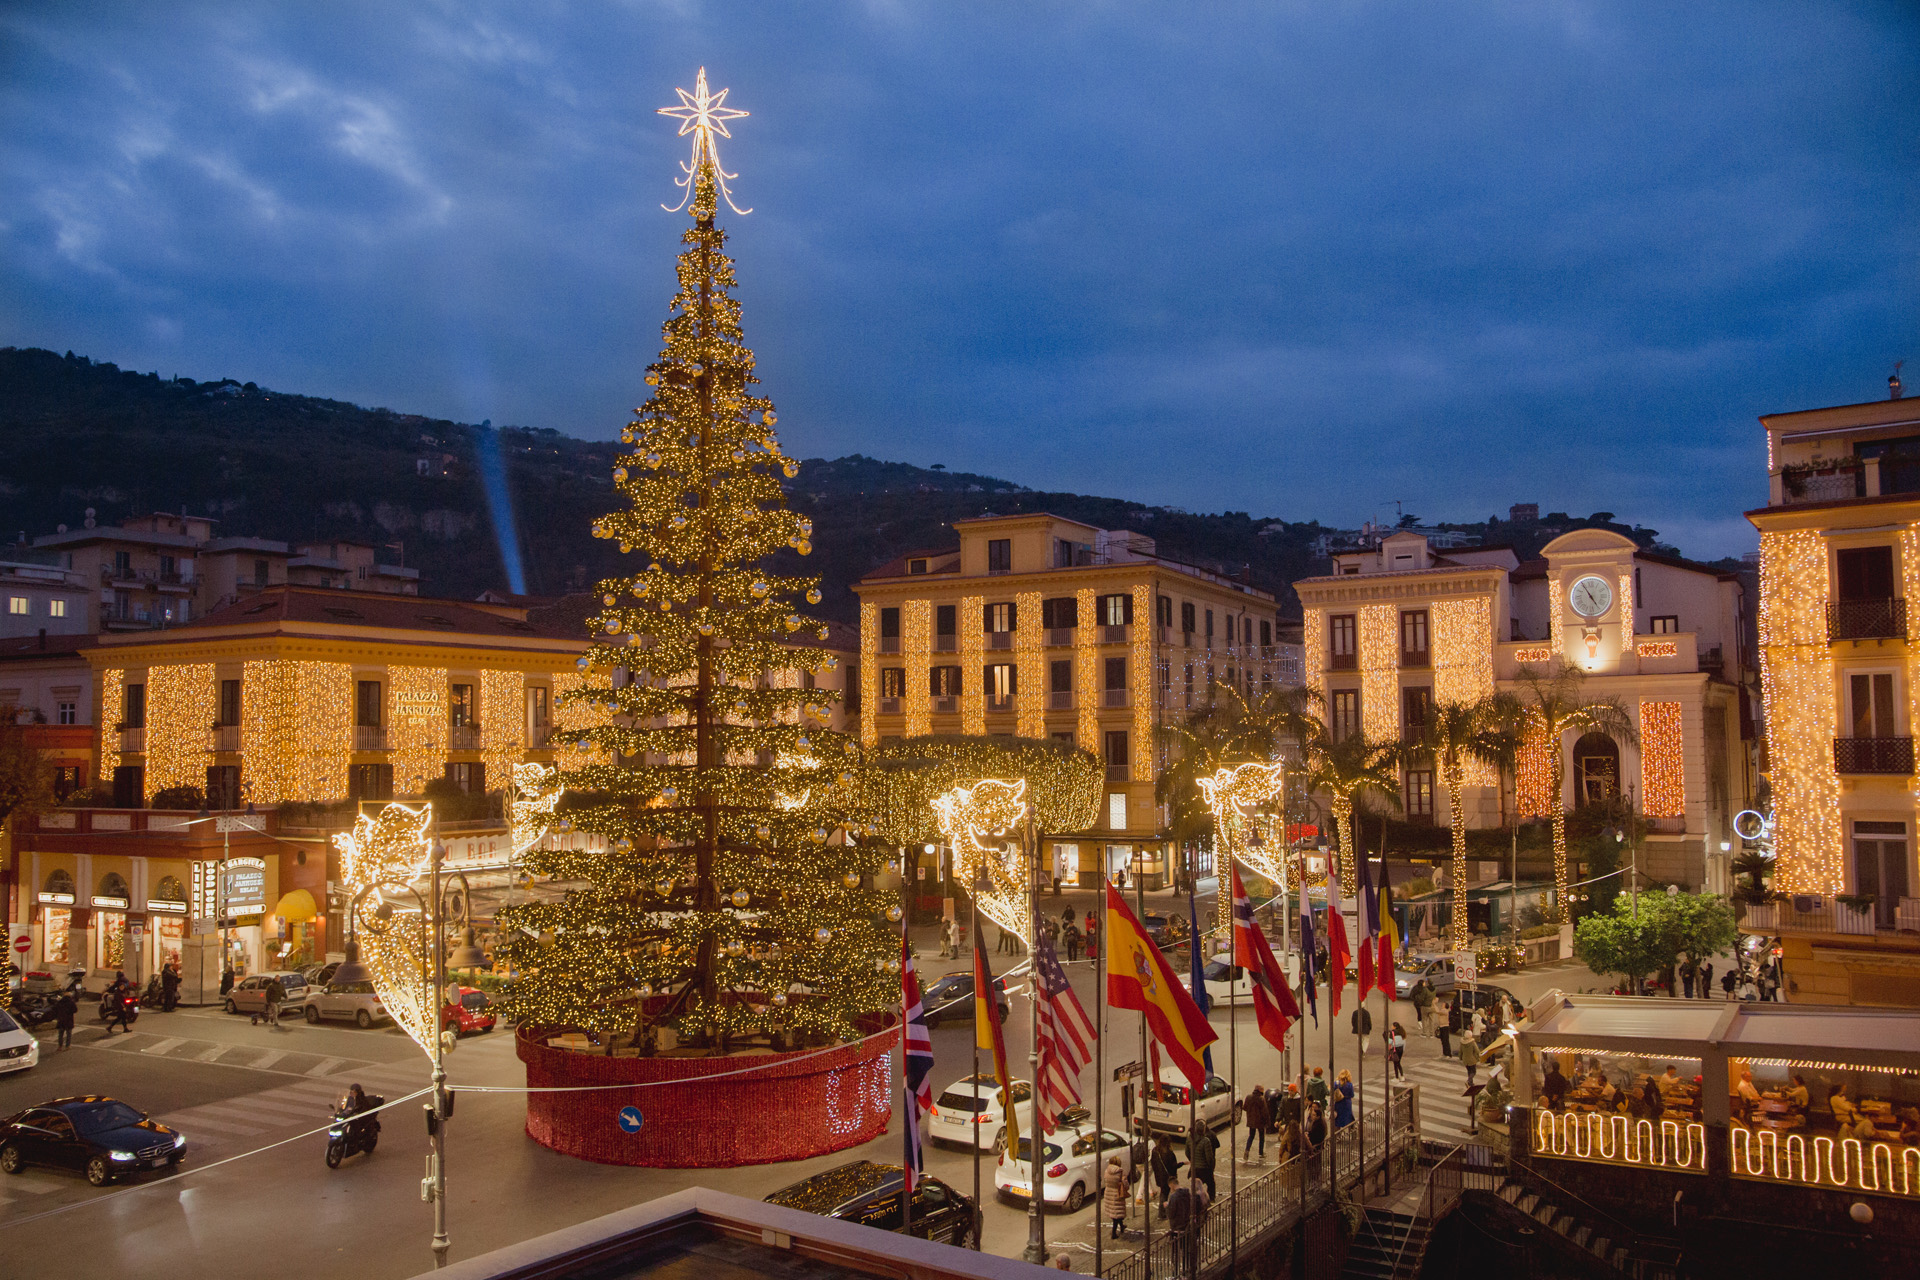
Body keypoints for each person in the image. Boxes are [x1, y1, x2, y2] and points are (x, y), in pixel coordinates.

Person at [1187, 1115, 1218, 1198]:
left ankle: (1196, 1200)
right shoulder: (1206, 1141)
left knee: (1195, 1186)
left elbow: (1187, 1152)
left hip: (1194, 1168)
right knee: (1211, 1184)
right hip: (1204, 1168)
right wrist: (1210, 1167)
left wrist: (1192, 1160)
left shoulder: (1190, 1138)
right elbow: (1209, 1157)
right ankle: (1210, 1200)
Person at [1150, 1133, 1180, 1216]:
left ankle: (1163, 1211)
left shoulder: (1155, 1151)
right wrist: (1182, 1164)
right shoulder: (1169, 1153)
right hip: (1168, 1177)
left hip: (1159, 1177)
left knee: (1163, 1193)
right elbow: (1173, 1166)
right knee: (1165, 1194)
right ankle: (1162, 1212)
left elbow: (1153, 1163)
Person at [1100, 1154, 1128, 1239]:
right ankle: (1114, 1233)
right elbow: (1126, 1185)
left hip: (1108, 1193)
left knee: (1115, 1212)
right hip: (1117, 1194)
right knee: (1117, 1213)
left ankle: (1122, 1226)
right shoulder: (1120, 1172)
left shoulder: (1106, 1171)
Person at [1242, 1085, 1271, 1162]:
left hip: (1251, 1121)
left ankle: (1247, 1150)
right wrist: (1267, 1122)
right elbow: (1265, 1112)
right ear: (1260, 1091)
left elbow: (1244, 1108)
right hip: (1260, 1122)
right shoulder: (1261, 1099)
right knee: (1261, 1137)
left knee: (1251, 1136)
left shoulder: (1248, 1097)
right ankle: (1261, 1153)